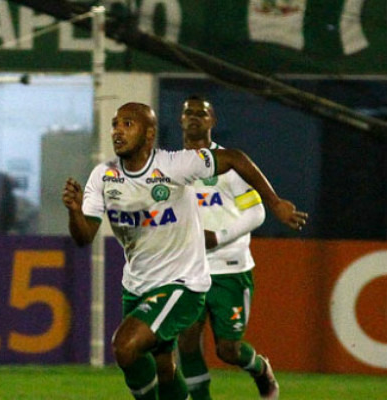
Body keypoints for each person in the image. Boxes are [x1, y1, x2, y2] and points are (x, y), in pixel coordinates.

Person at [62, 102, 307, 400]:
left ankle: (257, 370)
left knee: (125, 346)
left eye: (128, 124)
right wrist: (75, 213)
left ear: (149, 134)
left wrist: (275, 202)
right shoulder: (103, 176)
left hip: (184, 283)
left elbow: (235, 159)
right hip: (138, 285)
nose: (118, 131)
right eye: (115, 124)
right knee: (165, 368)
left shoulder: (174, 164)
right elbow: (85, 236)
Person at [176, 95, 277, 399]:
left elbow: (257, 212)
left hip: (230, 269)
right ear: (181, 120)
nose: (194, 117)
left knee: (228, 350)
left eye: (201, 114)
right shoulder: (171, 166)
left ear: (212, 121)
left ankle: (260, 368)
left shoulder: (230, 165)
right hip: (189, 269)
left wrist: (217, 237)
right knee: (187, 342)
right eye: (188, 113)